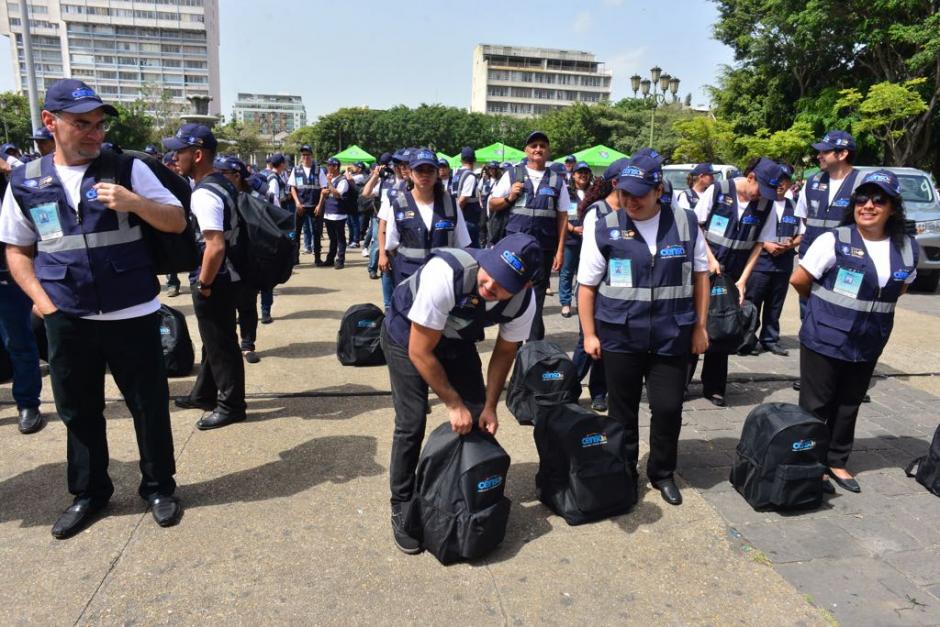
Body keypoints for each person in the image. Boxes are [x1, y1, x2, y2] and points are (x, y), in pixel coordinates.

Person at [1, 79, 185, 537]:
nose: (94, 133)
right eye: (81, 124)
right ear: (50, 122)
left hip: (133, 313)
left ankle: (159, 486)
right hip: (68, 317)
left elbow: (177, 220)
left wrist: (136, 203)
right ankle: (90, 492)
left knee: (148, 405)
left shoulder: (126, 169)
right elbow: (17, 250)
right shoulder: (25, 181)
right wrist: (43, 303)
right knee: (78, 410)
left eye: (99, 124)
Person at [380, 233, 541, 553]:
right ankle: (402, 501)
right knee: (411, 421)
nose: (490, 284)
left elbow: (504, 353)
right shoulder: (447, 273)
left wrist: (491, 406)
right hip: (407, 336)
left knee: (478, 413)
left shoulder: (524, 302)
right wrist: (452, 404)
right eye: (490, 271)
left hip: (456, 339)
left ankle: (459, 488)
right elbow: (420, 352)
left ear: (524, 286)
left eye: (503, 283)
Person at [578, 153, 710, 505]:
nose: (630, 201)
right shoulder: (604, 225)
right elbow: (587, 286)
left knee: (668, 408)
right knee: (622, 410)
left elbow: (700, 276)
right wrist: (589, 334)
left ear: (658, 189)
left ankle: (662, 472)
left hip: (672, 333)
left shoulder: (685, 222)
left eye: (639, 194)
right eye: (624, 193)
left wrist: (700, 326)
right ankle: (623, 470)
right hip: (620, 333)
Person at [790, 170, 917, 494]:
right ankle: (811, 464)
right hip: (825, 337)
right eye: (862, 198)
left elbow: (900, 287)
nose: (868, 205)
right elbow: (800, 281)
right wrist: (827, 311)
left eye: (878, 199)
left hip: (870, 339)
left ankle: (836, 460)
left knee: (849, 403)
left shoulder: (906, 248)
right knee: (816, 406)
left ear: (892, 207)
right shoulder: (834, 240)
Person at [165, 123, 247, 430]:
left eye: (180, 151)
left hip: (216, 277)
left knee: (221, 343)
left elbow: (214, 245)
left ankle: (231, 405)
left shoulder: (204, 194)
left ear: (197, 155)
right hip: (227, 275)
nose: (174, 157)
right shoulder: (222, 183)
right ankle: (204, 393)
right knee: (214, 340)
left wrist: (205, 283)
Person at [689, 157, 780, 406]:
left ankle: (715, 386)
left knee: (724, 325)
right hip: (703, 268)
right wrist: (708, 259)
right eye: (761, 188)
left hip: (734, 275)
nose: (763, 196)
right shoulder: (718, 190)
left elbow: (760, 243)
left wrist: (743, 280)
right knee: (694, 320)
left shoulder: (766, 205)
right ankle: (682, 381)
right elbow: (695, 226)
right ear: (751, 177)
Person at [488, 131, 568, 341]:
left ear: (548, 151)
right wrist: (509, 196)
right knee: (512, 295)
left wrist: (560, 251)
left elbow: (562, 217)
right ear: (526, 150)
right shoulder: (512, 174)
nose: (538, 149)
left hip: (543, 249)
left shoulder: (557, 181)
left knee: (537, 298)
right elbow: (492, 204)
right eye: (533, 145)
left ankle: (533, 349)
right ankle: (510, 342)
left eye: (542, 145)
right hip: (513, 249)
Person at [570, 158, 627, 412]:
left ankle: (599, 391)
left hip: (621, 288)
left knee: (608, 342)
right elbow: (592, 260)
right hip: (595, 288)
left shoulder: (632, 211)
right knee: (588, 340)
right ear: (615, 184)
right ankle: (567, 385)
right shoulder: (598, 213)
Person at [384, 149, 471, 286]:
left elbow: (463, 244)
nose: (425, 175)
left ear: (437, 174)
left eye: (430, 170)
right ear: (410, 173)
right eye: (419, 170)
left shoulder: (451, 205)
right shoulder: (398, 205)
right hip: (408, 280)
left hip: (443, 280)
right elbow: (391, 245)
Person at [745, 164, 801, 356]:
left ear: (789, 184)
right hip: (760, 262)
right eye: (777, 181)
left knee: (775, 305)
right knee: (752, 302)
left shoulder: (794, 206)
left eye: (784, 181)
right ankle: (748, 339)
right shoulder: (761, 203)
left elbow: (802, 234)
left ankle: (770, 339)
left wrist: (790, 245)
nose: (780, 185)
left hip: (783, 264)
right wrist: (766, 245)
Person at [215, 155, 264, 365]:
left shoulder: (253, 197)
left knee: (247, 306)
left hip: (248, 261)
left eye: (222, 173)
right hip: (223, 260)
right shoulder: (218, 196)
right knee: (223, 308)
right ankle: (228, 346)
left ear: (236, 176)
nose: (217, 177)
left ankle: (247, 344)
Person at [559, 161, 593, 318]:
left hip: (588, 240)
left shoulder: (593, 193)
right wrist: (572, 229)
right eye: (580, 172)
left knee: (584, 272)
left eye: (586, 172)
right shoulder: (566, 192)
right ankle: (566, 303)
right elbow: (561, 215)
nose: (583, 175)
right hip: (570, 239)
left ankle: (582, 302)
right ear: (573, 175)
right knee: (566, 272)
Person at [316, 157, 354, 269]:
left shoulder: (342, 180)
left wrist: (328, 182)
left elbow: (337, 194)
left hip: (339, 214)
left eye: (329, 165)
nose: (328, 167)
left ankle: (340, 260)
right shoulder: (329, 179)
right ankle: (330, 259)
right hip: (328, 214)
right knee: (332, 238)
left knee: (340, 238)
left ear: (336, 167)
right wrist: (321, 201)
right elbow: (324, 193)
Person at [288, 144, 321, 259]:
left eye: (307, 154)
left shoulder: (318, 170)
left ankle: (317, 258)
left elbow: (323, 189)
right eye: (303, 155)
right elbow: (293, 187)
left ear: (311, 155)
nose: (305, 157)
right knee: (296, 233)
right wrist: (297, 203)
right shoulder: (296, 170)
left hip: (314, 206)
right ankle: (295, 258)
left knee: (317, 233)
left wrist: (320, 205)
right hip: (300, 206)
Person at [449, 146, 482, 249]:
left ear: (461, 159)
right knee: (473, 252)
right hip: (468, 220)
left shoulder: (456, 175)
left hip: (461, 219)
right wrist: (456, 215)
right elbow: (463, 199)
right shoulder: (470, 176)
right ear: (474, 160)